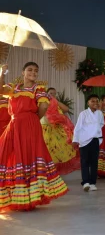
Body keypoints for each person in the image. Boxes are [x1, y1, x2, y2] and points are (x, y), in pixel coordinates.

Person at [0, 62, 68, 211]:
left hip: (24, 123)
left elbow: (44, 106)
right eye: (30, 70)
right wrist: (2, 73)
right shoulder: (14, 87)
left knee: (15, 155)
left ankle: (21, 196)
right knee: (26, 155)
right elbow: (0, 89)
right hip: (18, 124)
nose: (33, 72)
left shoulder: (38, 89)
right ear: (23, 72)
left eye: (36, 71)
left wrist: (32, 119)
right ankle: (27, 196)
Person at [41, 87, 79, 175]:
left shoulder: (55, 102)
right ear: (46, 93)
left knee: (56, 150)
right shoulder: (42, 101)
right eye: (50, 93)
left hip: (55, 129)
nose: (52, 95)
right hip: (44, 128)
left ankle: (53, 172)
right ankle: (45, 171)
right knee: (46, 150)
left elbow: (66, 109)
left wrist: (55, 101)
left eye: (54, 93)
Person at [73, 94, 105, 192]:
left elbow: (101, 124)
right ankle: (86, 182)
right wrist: (75, 140)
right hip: (84, 140)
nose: (95, 103)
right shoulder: (83, 114)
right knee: (85, 162)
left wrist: (95, 131)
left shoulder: (99, 113)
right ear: (88, 103)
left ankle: (93, 183)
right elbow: (78, 127)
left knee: (94, 162)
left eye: (96, 101)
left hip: (95, 139)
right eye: (92, 101)